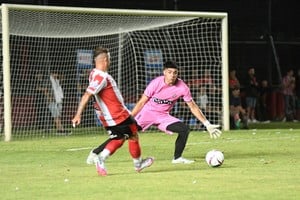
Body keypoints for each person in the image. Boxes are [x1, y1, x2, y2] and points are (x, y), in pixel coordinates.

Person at [72, 47, 154, 176]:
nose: (110, 61)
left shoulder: (93, 73)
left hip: (109, 117)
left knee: (120, 138)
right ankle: (135, 164)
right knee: (131, 136)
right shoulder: (101, 77)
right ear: (105, 59)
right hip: (118, 114)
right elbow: (87, 95)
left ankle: (104, 157)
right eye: (109, 58)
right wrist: (78, 114)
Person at [131, 60, 222, 164]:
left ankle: (177, 158)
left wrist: (207, 124)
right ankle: (108, 153)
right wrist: (130, 117)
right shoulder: (156, 83)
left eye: (175, 72)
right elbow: (142, 102)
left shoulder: (182, 87)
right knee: (125, 133)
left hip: (163, 116)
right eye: (169, 72)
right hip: (148, 112)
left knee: (184, 129)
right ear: (164, 72)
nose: (172, 75)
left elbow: (193, 107)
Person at [44, 70, 71, 135]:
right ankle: (60, 130)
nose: (57, 75)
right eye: (56, 74)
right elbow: (45, 90)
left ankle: (59, 129)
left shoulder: (57, 80)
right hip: (52, 100)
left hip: (58, 100)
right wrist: (49, 98)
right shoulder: (49, 81)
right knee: (56, 116)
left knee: (58, 115)